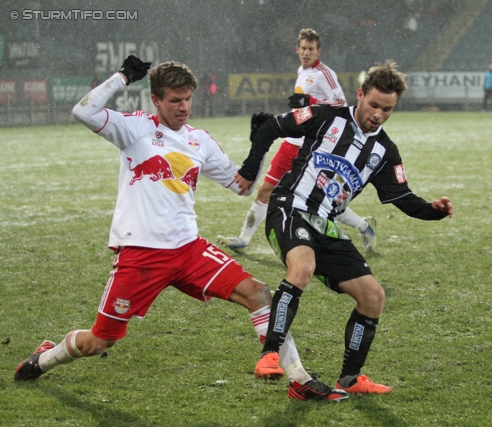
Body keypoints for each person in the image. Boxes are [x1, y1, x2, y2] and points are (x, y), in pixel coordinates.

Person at [14, 55, 347, 402]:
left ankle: (300, 380)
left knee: (259, 294)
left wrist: (257, 149)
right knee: (100, 341)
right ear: (155, 100)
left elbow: (243, 186)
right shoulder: (134, 128)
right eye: (174, 100)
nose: (183, 107)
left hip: (188, 250)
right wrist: (122, 78)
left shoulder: (199, 141)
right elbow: (84, 112)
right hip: (141, 254)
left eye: (187, 98)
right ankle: (45, 358)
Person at [234, 61, 454, 396]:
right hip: (290, 207)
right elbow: (271, 128)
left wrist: (433, 212)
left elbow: (402, 197)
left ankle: (350, 379)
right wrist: (251, 168)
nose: (378, 114)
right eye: (374, 105)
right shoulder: (327, 116)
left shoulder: (384, 152)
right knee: (303, 266)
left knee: (373, 296)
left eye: (388, 109)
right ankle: (269, 355)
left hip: (327, 225)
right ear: (361, 95)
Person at [217, 28, 377, 253]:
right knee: (266, 189)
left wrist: (309, 100)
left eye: (311, 49)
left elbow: (341, 104)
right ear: (297, 49)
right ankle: (244, 239)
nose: (306, 53)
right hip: (292, 141)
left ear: (318, 51)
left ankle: (363, 225)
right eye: (303, 48)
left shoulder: (324, 73)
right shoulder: (301, 71)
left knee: (319, 199)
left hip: (313, 145)